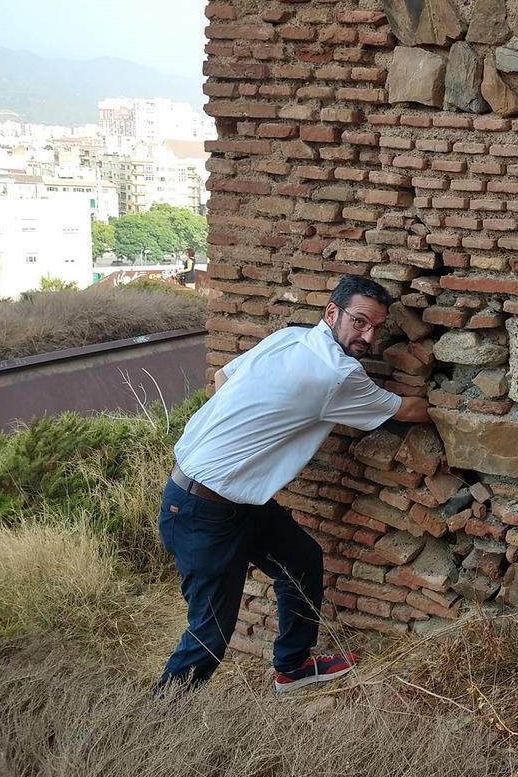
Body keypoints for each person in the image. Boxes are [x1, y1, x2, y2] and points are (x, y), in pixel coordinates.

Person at [155, 275, 430, 695]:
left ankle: (293, 667)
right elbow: (404, 411)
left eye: (376, 327)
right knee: (208, 637)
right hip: (202, 512)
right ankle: (158, 721)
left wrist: (250, 451)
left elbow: (223, 380)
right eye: (359, 322)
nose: (368, 336)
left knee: (301, 560)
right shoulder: (337, 374)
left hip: (232, 501)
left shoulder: (289, 339)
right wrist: (453, 406)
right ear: (332, 313)